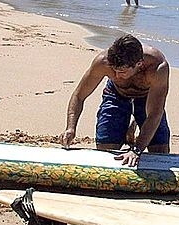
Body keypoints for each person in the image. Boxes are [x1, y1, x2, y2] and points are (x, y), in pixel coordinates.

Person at [61, 34, 171, 167]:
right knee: (106, 150)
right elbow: (79, 96)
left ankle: (136, 121)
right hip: (116, 93)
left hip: (147, 97)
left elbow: (155, 113)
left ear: (139, 64)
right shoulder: (103, 62)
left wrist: (136, 149)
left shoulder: (158, 67)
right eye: (114, 70)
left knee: (160, 152)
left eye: (122, 72)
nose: (116, 75)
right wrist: (70, 127)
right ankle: (129, 125)